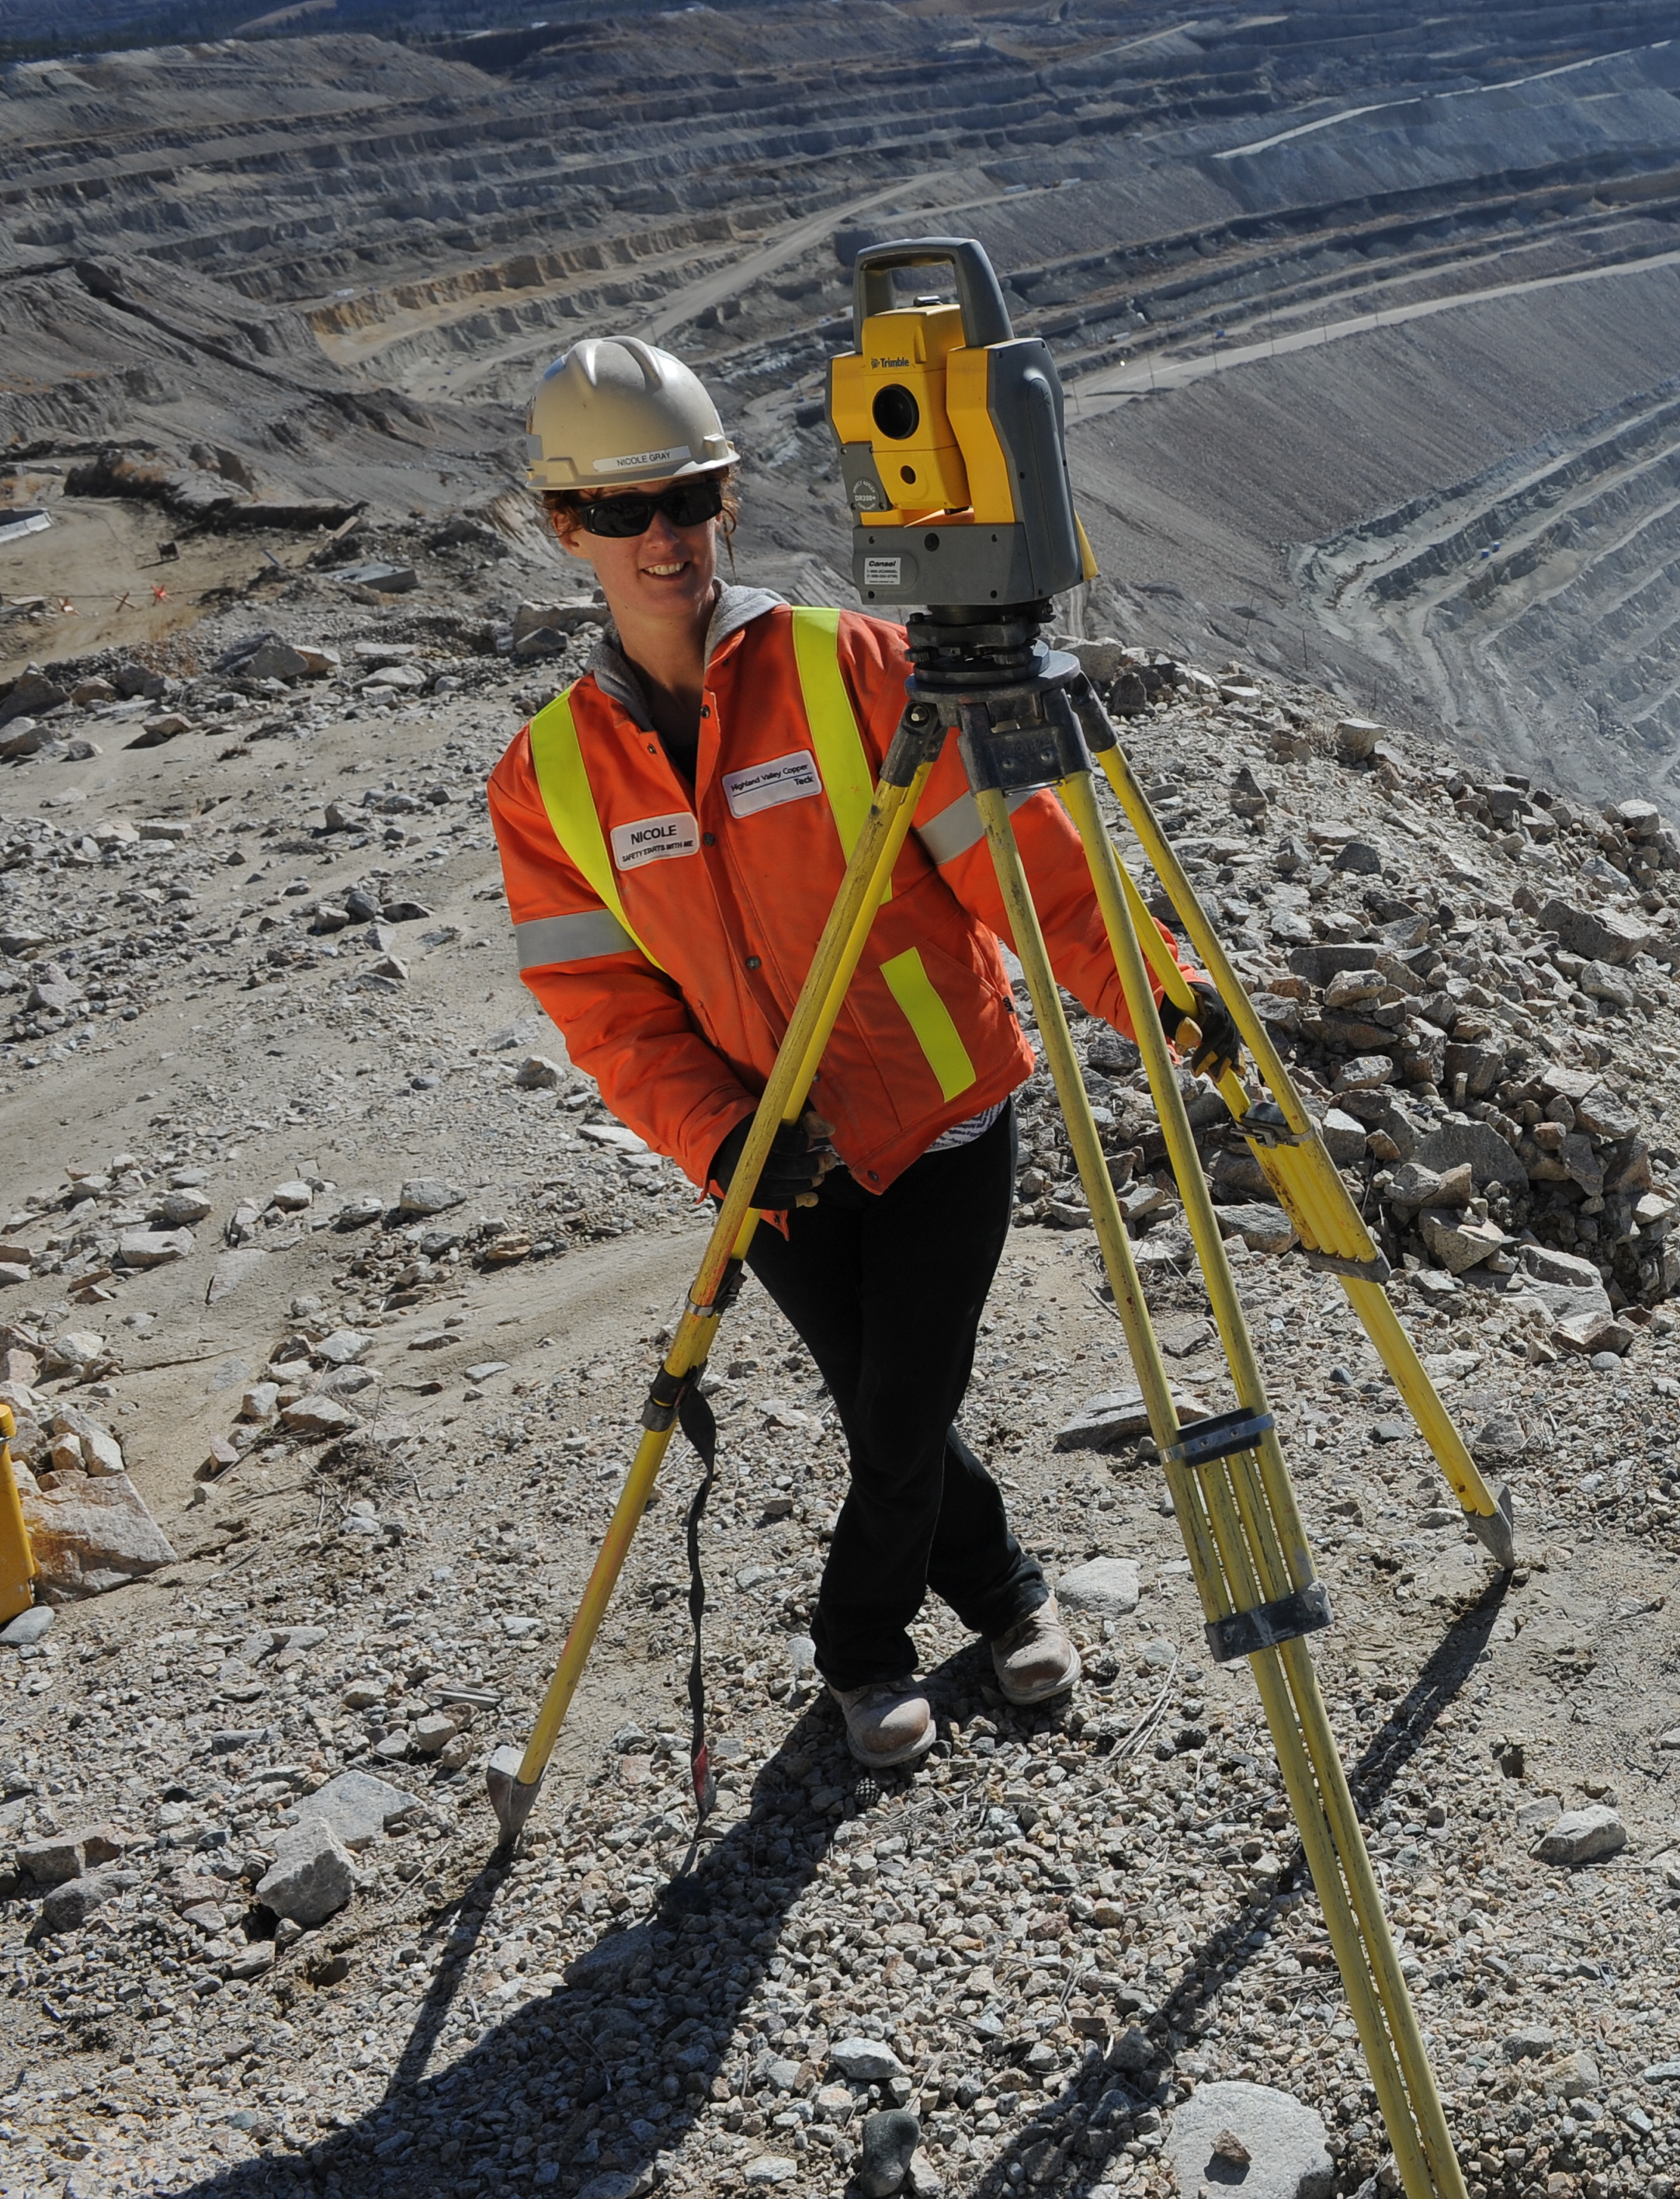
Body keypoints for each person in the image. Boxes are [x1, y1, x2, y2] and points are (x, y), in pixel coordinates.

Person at [486, 336, 1209, 1770]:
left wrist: (1161, 989)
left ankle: (858, 1647)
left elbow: (1031, 877)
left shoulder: (856, 665)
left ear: (728, 498)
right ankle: (1006, 1595)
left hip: (944, 1116)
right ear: (564, 528)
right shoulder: (547, 776)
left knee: (896, 1406)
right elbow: (608, 1012)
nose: (663, 539)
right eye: (620, 513)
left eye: (685, 498)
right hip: (769, 1155)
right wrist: (716, 1136)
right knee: (892, 1406)